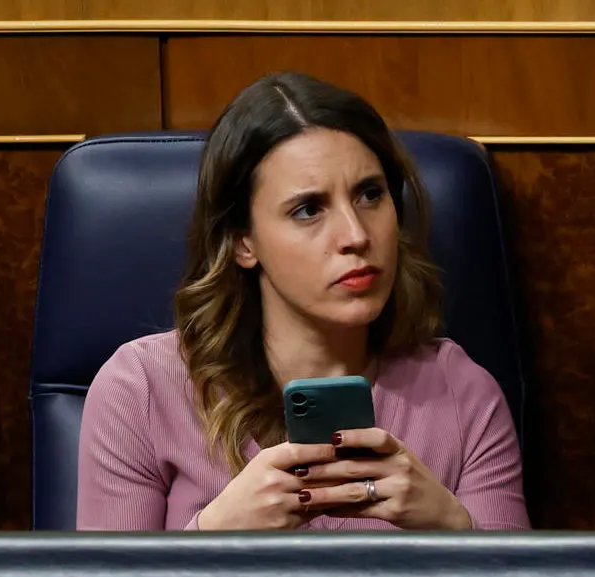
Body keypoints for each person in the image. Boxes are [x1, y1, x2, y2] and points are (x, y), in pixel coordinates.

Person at [75, 71, 529, 532]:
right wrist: (210, 538)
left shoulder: (464, 395)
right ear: (241, 242)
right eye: (308, 209)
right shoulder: (138, 391)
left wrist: (455, 528)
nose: (356, 236)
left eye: (371, 194)